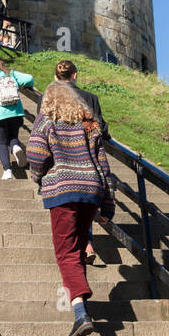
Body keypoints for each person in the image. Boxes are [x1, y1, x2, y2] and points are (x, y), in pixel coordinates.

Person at [26, 82, 115, 336]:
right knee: (77, 249)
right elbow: (103, 163)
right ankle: (81, 309)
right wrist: (108, 203)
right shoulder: (89, 121)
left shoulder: (47, 119)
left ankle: (80, 313)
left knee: (65, 252)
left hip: (63, 189)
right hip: (91, 190)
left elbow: (35, 151)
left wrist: (38, 175)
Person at [53, 59, 111, 264]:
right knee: (84, 204)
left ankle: (80, 248)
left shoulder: (48, 100)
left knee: (67, 216)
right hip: (88, 166)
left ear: (55, 78)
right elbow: (101, 129)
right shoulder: (91, 98)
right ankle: (87, 244)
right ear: (75, 76)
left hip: (60, 167)